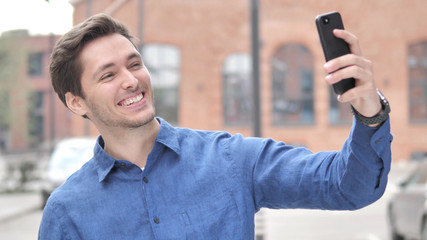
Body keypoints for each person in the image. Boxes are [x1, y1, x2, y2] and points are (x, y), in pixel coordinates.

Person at [39, 13, 392, 239]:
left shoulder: (230, 159)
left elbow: (348, 186)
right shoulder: (67, 211)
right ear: (76, 101)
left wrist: (369, 111)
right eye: (108, 74)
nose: (131, 80)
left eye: (134, 64)